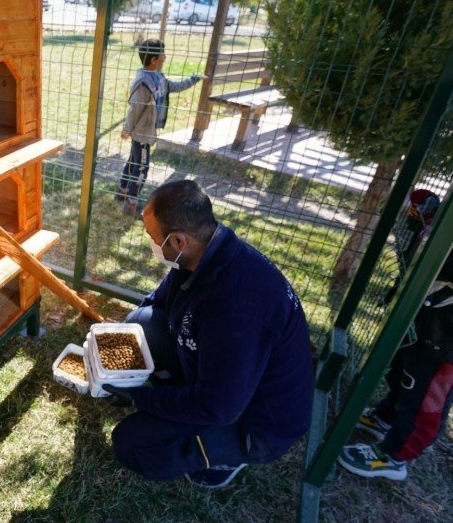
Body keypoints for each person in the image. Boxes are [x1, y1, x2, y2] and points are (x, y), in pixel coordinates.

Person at [103, 180, 314, 488]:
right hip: (229, 382)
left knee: (131, 442)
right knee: (141, 321)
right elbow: (157, 303)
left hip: (254, 420)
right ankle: (180, 397)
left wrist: (141, 397)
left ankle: (225, 456)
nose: (150, 242)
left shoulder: (235, 306)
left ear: (177, 240)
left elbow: (218, 407)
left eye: (152, 236)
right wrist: (117, 337)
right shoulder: (204, 252)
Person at [339, 135, 453, 481]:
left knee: (428, 398)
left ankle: (396, 456)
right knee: (406, 371)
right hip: (432, 312)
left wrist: (445, 247)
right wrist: (427, 217)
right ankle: (388, 416)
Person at [118, 40, 203, 216]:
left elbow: (175, 86)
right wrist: (127, 129)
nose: (166, 56)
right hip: (141, 133)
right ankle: (131, 205)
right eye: (163, 54)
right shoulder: (143, 82)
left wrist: (193, 80)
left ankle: (122, 193)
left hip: (147, 131)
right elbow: (135, 108)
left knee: (133, 162)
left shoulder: (159, 78)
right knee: (141, 168)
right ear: (154, 59)